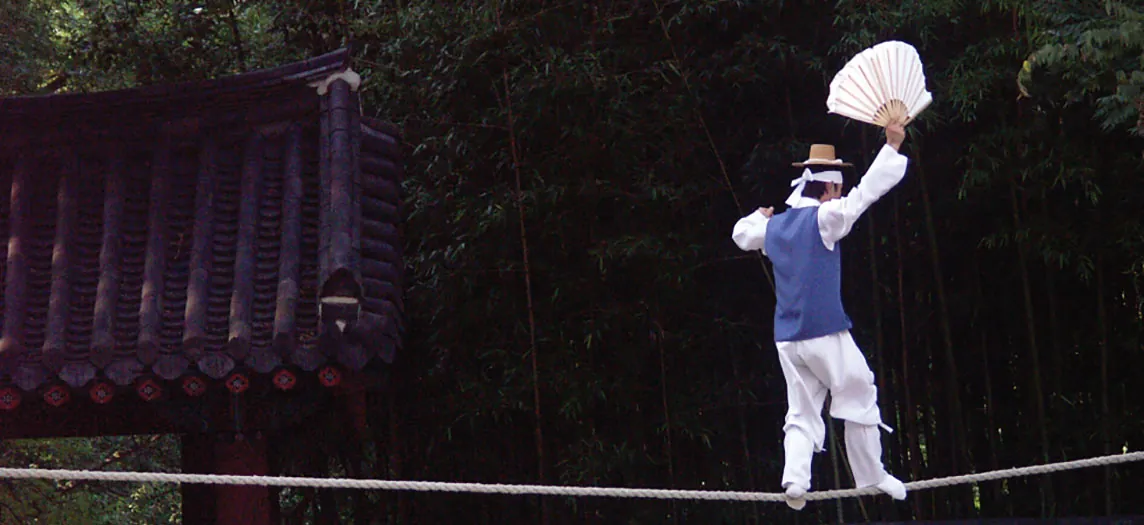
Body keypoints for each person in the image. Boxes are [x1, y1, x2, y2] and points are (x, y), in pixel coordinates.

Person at [731, 122, 909, 510]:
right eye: (837, 189)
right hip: (823, 332)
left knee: (802, 408)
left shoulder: (773, 226)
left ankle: (795, 481)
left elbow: (742, 234)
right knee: (860, 389)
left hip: (788, 339)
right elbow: (864, 196)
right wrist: (892, 146)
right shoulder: (825, 220)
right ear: (828, 188)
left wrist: (758, 215)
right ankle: (871, 476)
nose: (839, 195)